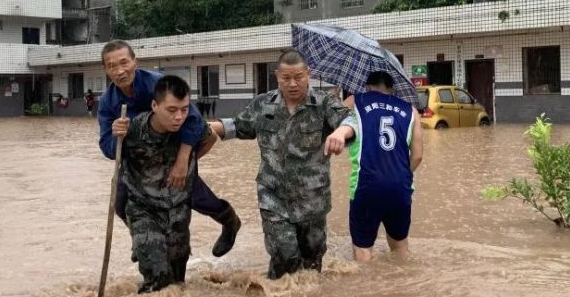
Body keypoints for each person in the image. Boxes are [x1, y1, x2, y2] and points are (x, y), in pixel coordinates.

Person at [209, 49, 356, 279]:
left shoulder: (324, 103)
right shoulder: (264, 104)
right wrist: (207, 127)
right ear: (277, 76)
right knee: (285, 255)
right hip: (273, 197)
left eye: (298, 77)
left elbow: (350, 119)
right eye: (286, 78)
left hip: (312, 200)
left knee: (312, 263)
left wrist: (340, 132)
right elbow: (238, 125)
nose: (293, 84)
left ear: (309, 74)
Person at [98, 40, 241, 258]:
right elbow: (107, 147)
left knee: (195, 197)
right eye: (111, 66)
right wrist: (116, 134)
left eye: (124, 62)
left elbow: (194, 120)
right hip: (139, 162)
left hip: (174, 150)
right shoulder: (108, 102)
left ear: (135, 62)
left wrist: (183, 161)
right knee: (120, 203)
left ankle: (229, 221)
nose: (119, 70)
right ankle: (143, 237)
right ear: (106, 70)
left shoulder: (159, 85)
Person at [122, 75, 210, 293]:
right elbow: (108, 151)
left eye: (184, 109)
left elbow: (210, 137)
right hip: (144, 211)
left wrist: (187, 161)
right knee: (158, 281)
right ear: (154, 105)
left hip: (179, 210)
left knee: (177, 283)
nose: (178, 117)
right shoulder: (133, 131)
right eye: (171, 110)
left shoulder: (190, 126)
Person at [345, 71, 423, 262]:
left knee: (363, 251)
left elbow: (333, 123)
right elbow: (418, 156)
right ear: (392, 89)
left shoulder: (355, 101)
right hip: (400, 188)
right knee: (400, 247)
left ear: (367, 87)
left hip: (367, 186)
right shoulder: (410, 111)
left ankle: (366, 288)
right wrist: (401, 175)